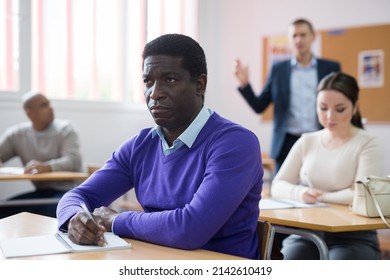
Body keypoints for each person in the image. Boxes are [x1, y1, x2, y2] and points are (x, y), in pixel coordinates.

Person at [56, 34, 264, 259]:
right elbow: (78, 195)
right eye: (148, 81)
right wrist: (75, 219)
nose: (155, 93)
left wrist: (116, 220)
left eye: (170, 80)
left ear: (200, 85)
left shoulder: (235, 143)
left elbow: (190, 229)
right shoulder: (140, 145)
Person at [271, 72, 384, 260]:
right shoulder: (307, 140)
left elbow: (364, 195)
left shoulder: (369, 143)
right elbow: (278, 184)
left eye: (340, 109)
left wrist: (323, 196)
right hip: (309, 233)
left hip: (354, 237)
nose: (330, 116)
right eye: (323, 108)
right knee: (289, 260)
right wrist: (300, 193)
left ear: (355, 107)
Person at [234, 18, 341, 173]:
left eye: (303, 34)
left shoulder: (330, 68)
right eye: (294, 36)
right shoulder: (279, 70)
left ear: (313, 37)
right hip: (286, 144)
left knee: (318, 191)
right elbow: (259, 106)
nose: (299, 39)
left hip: (320, 139)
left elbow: (340, 103)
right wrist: (245, 84)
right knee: (281, 192)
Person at [0, 91, 82, 218]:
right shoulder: (16, 135)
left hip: (67, 192)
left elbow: (73, 160)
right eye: (44, 105)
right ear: (29, 112)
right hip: (41, 193)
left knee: (57, 214)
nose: (51, 108)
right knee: (4, 210)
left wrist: (46, 167)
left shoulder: (66, 129)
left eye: (49, 103)